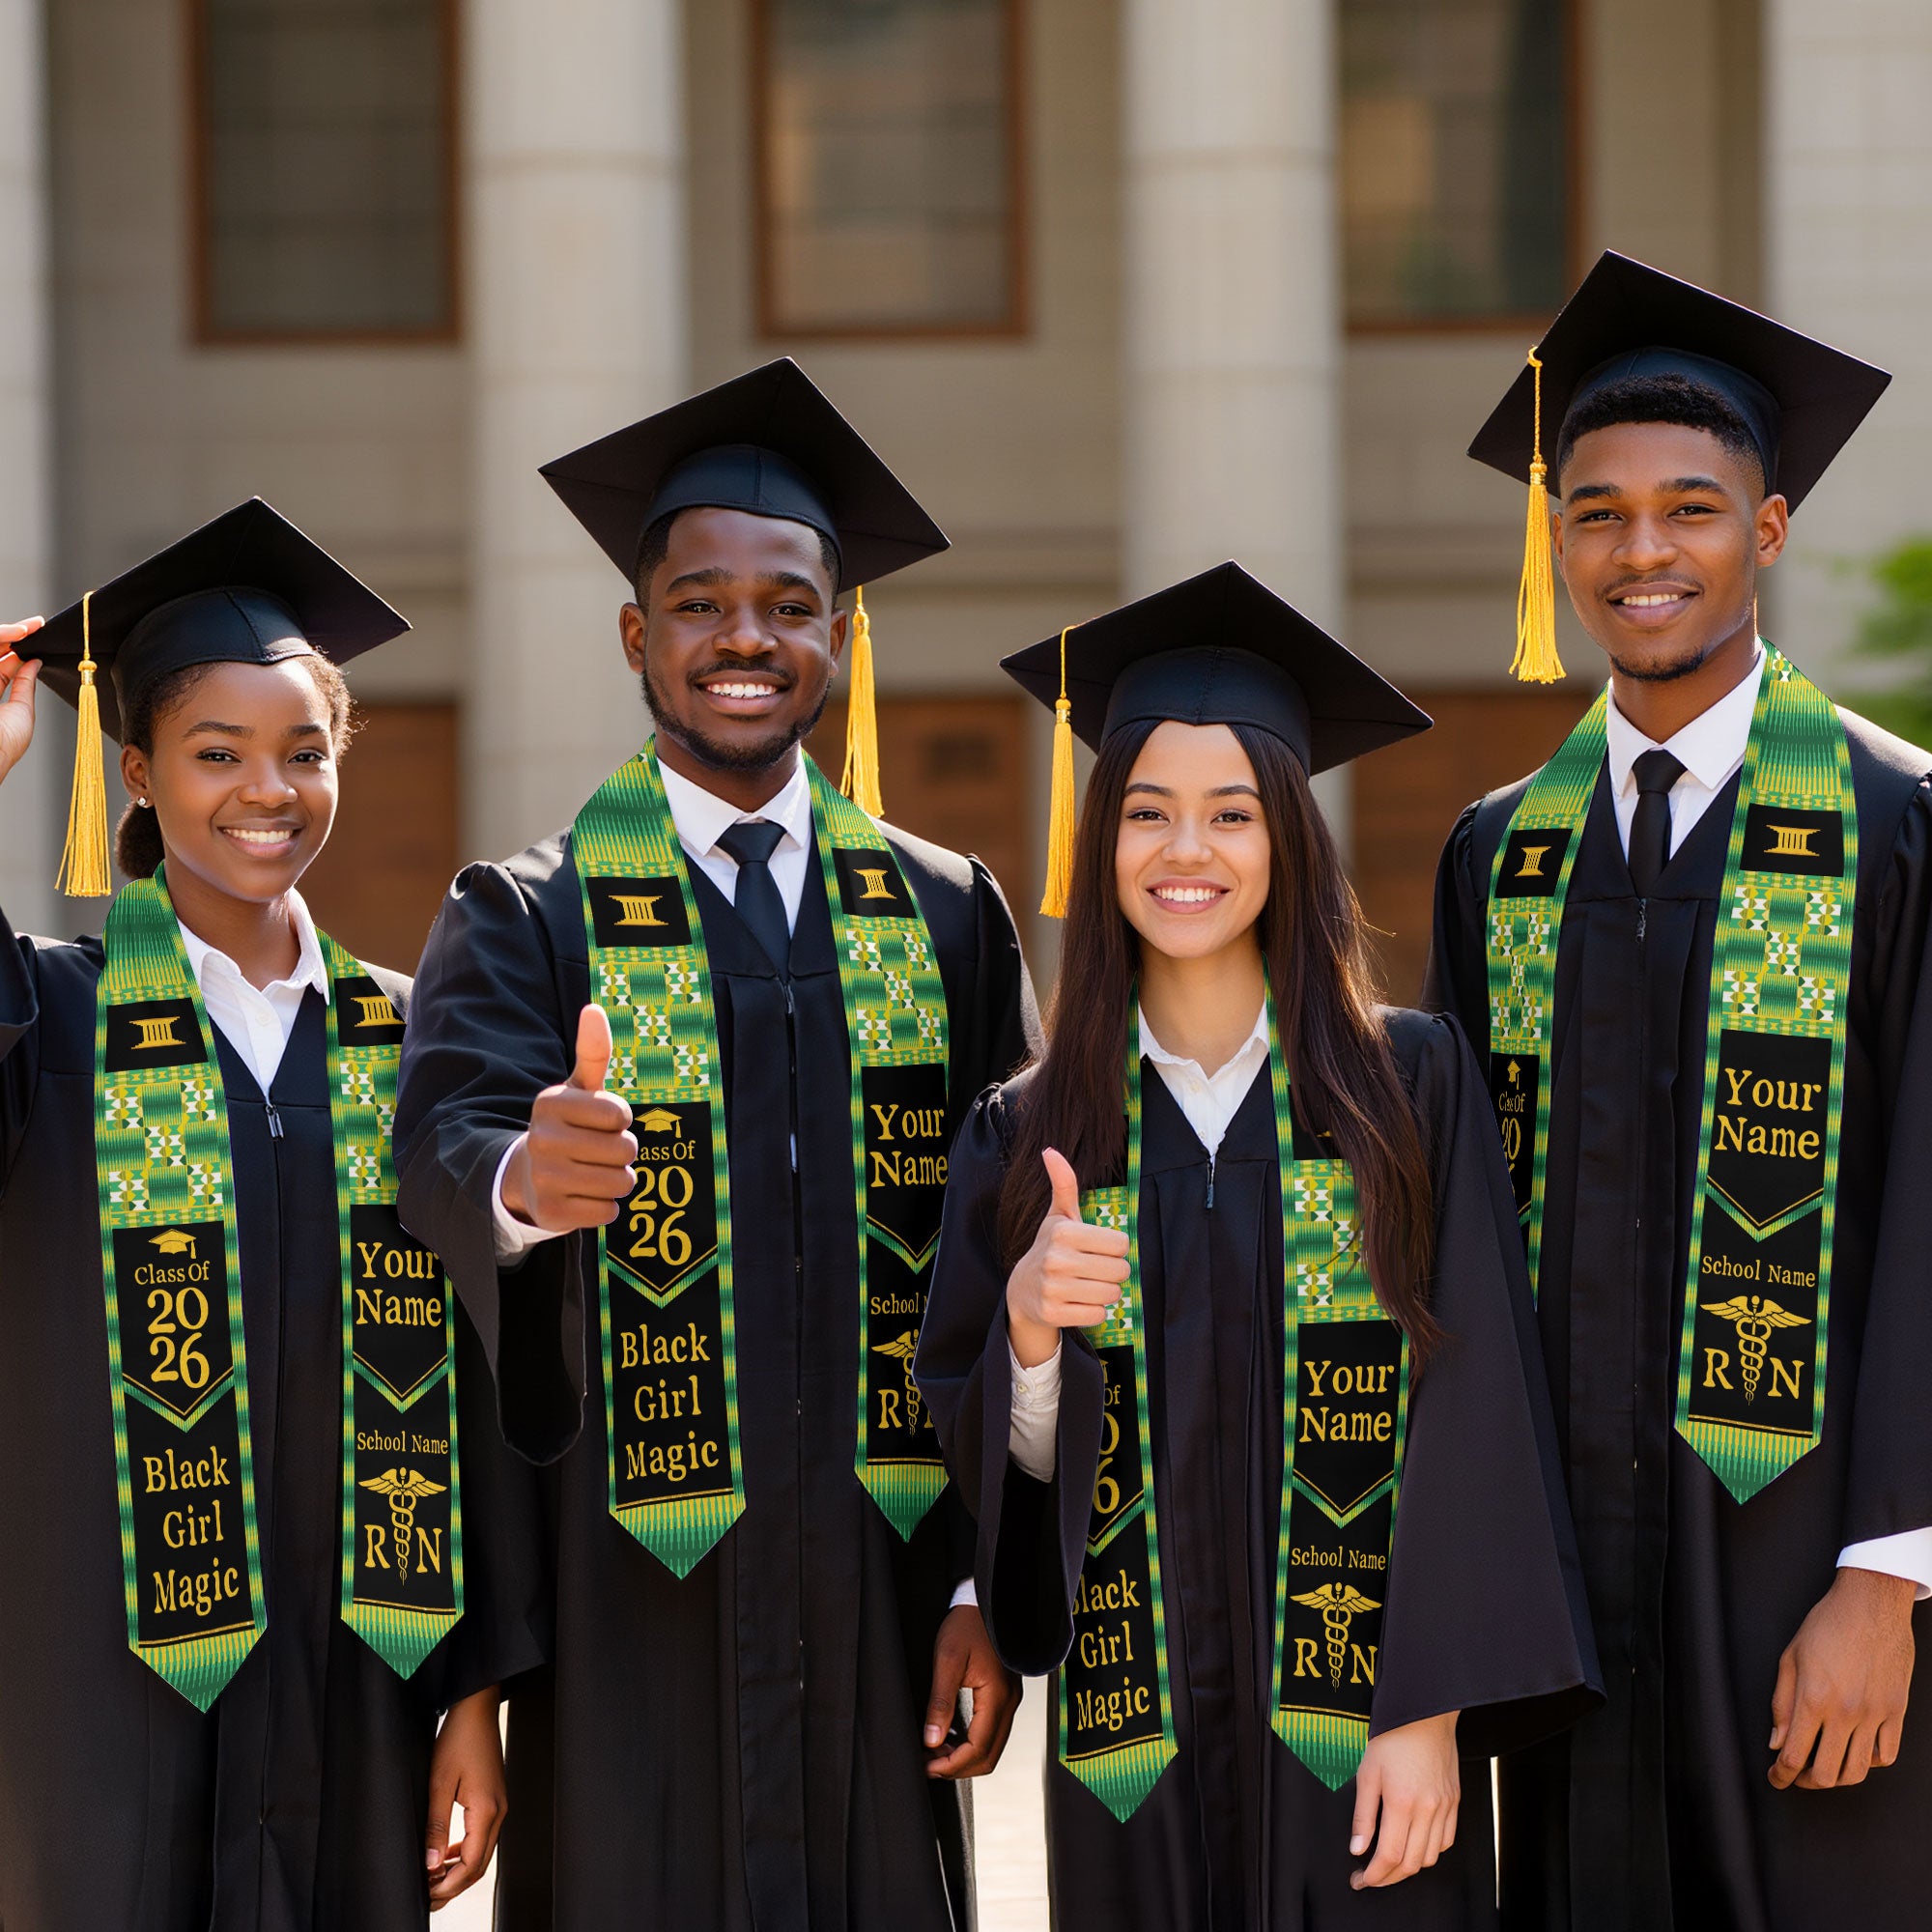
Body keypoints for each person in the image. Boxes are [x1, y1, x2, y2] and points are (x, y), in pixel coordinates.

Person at [392, 358, 1038, 1928]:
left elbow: (1017, 1258)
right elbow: (437, 1157)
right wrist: (523, 1184)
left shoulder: (944, 914)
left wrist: (981, 1589)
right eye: (698, 603)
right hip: (634, 1610)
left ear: (840, 634)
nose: (744, 638)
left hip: (884, 1599)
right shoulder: (529, 914)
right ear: (637, 633)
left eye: (788, 603)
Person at [916, 562, 1599, 1931]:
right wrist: (1033, 1342)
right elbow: (993, 1466)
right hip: (1134, 1755)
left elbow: (1479, 1407)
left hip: (1367, 1741)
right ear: (1100, 841)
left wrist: (1429, 1705)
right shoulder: (1033, 1127)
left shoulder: (1411, 1089)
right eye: (1149, 813)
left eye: (1231, 814)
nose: (1188, 853)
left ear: (1288, 838)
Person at [1427, 251, 1932, 1932]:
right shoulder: (1502, 853)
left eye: (1692, 508)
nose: (1643, 552)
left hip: (1804, 1559)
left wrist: (1890, 1570)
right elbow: (1449, 1232)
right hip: (1564, 1571)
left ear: (1768, 531)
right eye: (1598, 511)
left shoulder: (1898, 822)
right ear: (1554, 539)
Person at [0, 498, 546, 1930]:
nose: (268, 790)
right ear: (134, 771)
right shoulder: (51, 1019)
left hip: (355, 1672)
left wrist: (476, 1699)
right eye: (216, 754)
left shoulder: (413, 1043)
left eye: (305, 753)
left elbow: (482, 1385)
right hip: (92, 1687)